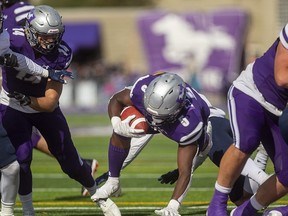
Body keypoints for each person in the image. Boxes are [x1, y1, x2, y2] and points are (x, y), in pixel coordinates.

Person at [90, 72, 269, 215]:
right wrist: (115, 125)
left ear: (176, 110)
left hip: (213, 125)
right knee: (239, 197)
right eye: (150, 112)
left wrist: (173, 205)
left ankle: (267, 179)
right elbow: (116, 99)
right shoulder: (142, 90)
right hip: (197, 137)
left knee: (229, 162)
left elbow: (188, 169)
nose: (153, 119)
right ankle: (262, 160)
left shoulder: (190, 124)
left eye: (160, 116)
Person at [0, 5, 119, 216]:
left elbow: (50, 101)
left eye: (53, 36)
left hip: (41, 106)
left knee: (71, 161)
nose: (50, 41)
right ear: (29, 31)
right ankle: (27, 211)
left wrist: (27, 99)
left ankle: (101, 198)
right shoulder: (12, 39)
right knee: (21, 160)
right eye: (44, 36)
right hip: (12, 104)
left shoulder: (62, 53)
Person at [206, 22, 288, 215]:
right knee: (246, 143)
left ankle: (245, 211)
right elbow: (282, 77)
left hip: (277, 108)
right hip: (251, 90)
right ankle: (216, 205)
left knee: (286, 175)